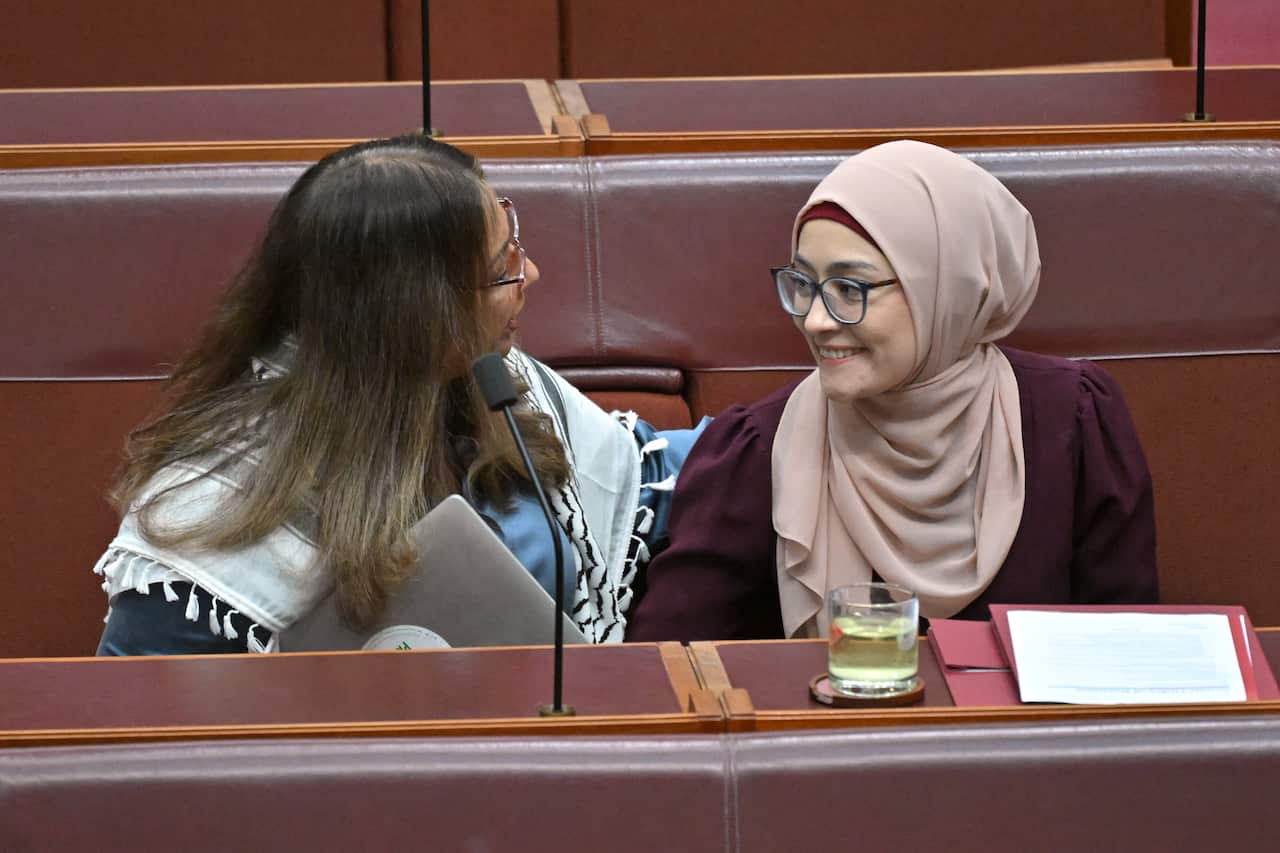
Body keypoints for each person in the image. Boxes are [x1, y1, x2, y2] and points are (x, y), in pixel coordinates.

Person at [93, 133, 703, 655]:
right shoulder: (217, 511)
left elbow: (664, 477)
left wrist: (791, 418)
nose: (532, 277)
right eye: (502, 269)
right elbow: (149, 739)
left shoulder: (496, 387)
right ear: (415, 319)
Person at [626, 140, 1157, 642]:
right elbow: (664, 674)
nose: (815, 320)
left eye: (849, 289)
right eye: (803, 285)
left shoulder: (1074, 421)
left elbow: (1126, 657)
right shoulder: (757, 452)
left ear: (947, 287)